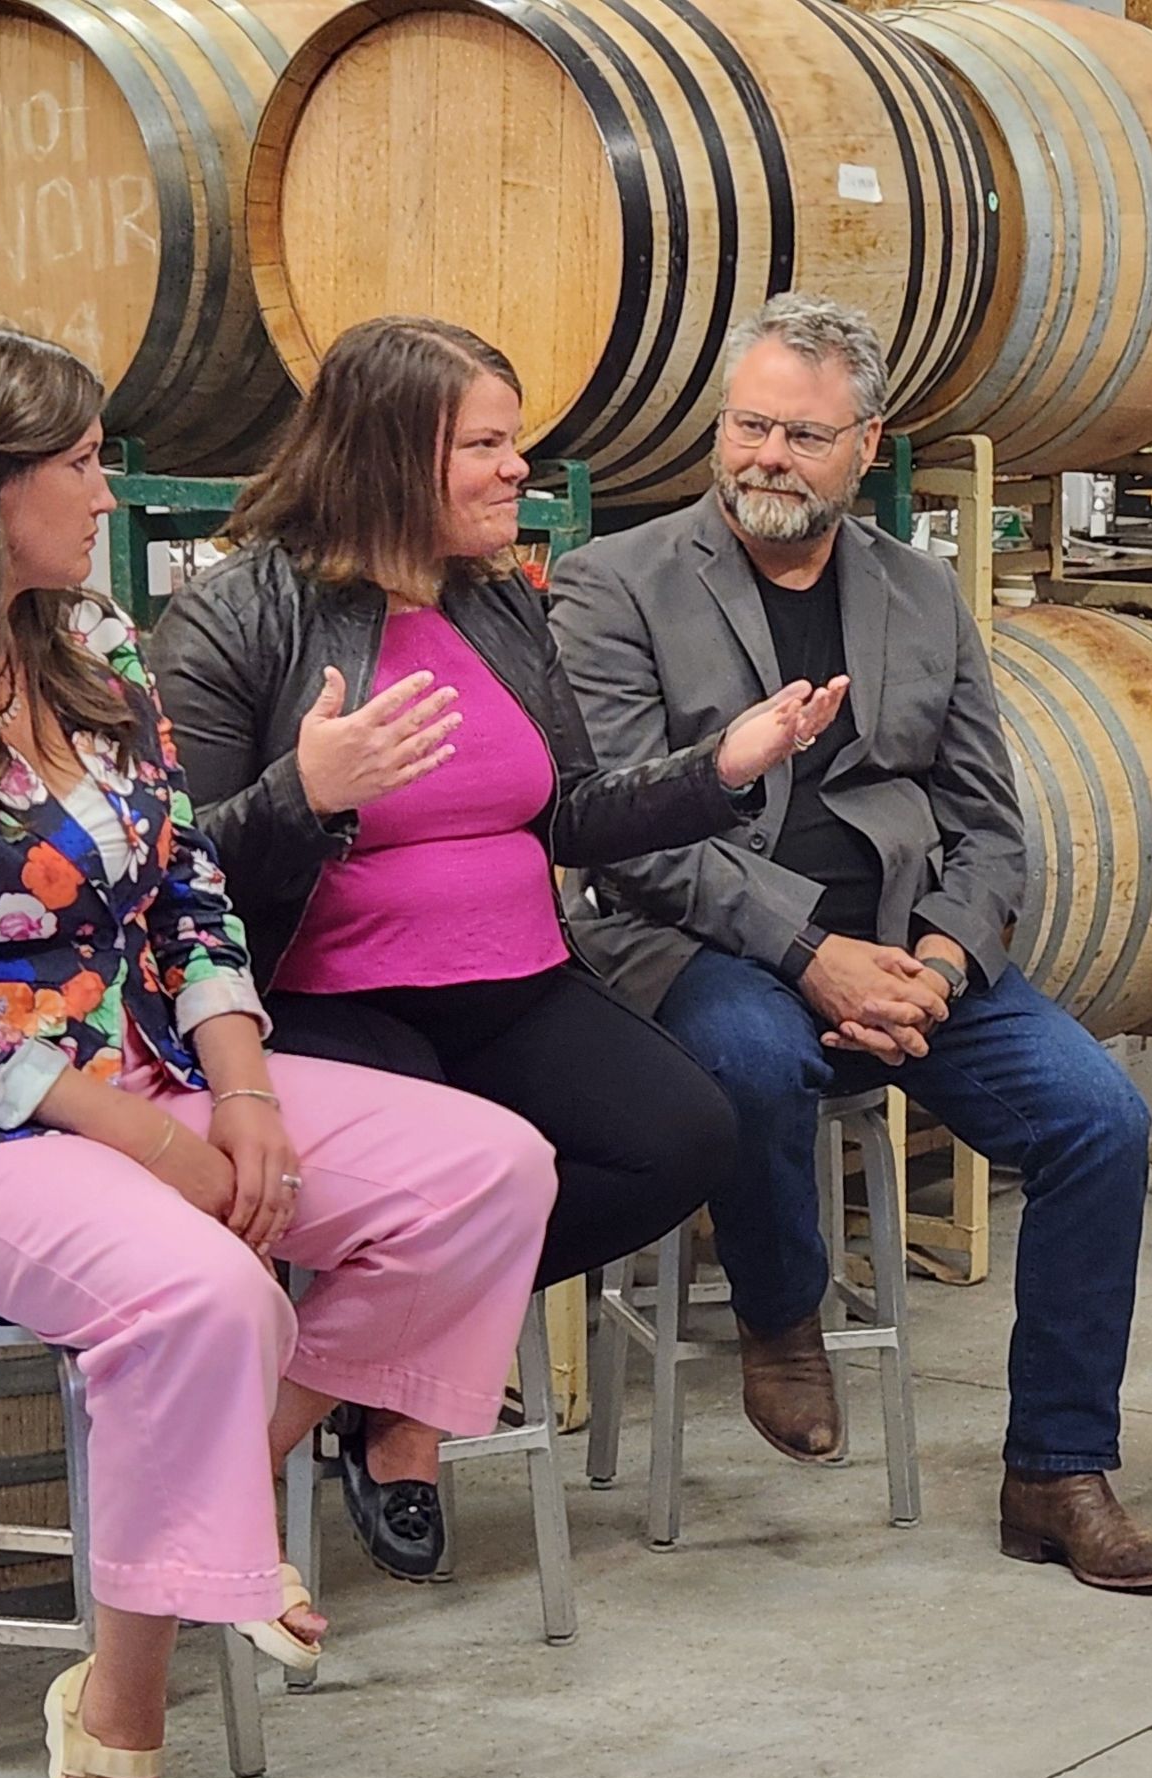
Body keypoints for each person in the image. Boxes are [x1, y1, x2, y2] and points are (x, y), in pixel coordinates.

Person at [0, 320, 559, 1778]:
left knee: (489, 1169)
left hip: (149, 1080)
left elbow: (187, 892)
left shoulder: (89, 644)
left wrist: (240, 1089)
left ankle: (204, 1492)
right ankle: (114, 1730)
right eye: (84, 462)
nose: (109, 487)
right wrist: (152, 1143)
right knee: (207, 1289)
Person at [149, 314, 846, 1581]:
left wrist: (720, 768)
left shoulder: (497, 604)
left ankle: (358, 1388)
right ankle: (395, 1415)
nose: (519, 468)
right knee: (463, 1179)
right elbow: (172, 873)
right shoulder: (234, 618)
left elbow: (567, 807)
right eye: (485, 444)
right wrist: (308, 791)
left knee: (681, 1135)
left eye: (510, 440)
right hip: (326, 998)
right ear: (386, 458)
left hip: (516, 978)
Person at [550, 293, 1152, 1595]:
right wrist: (808, 952)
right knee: (747, 1051)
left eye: (801, 432)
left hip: (904, 951)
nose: (767, 456)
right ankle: (784, 1313)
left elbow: (992, 829)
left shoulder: (920, 592)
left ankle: (1058, 1471)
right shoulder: (615, 583)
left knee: (1101, 1120)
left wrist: (940, 963)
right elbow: (628, 833)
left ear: (864, 443)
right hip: (701, 942)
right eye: (748, 425)